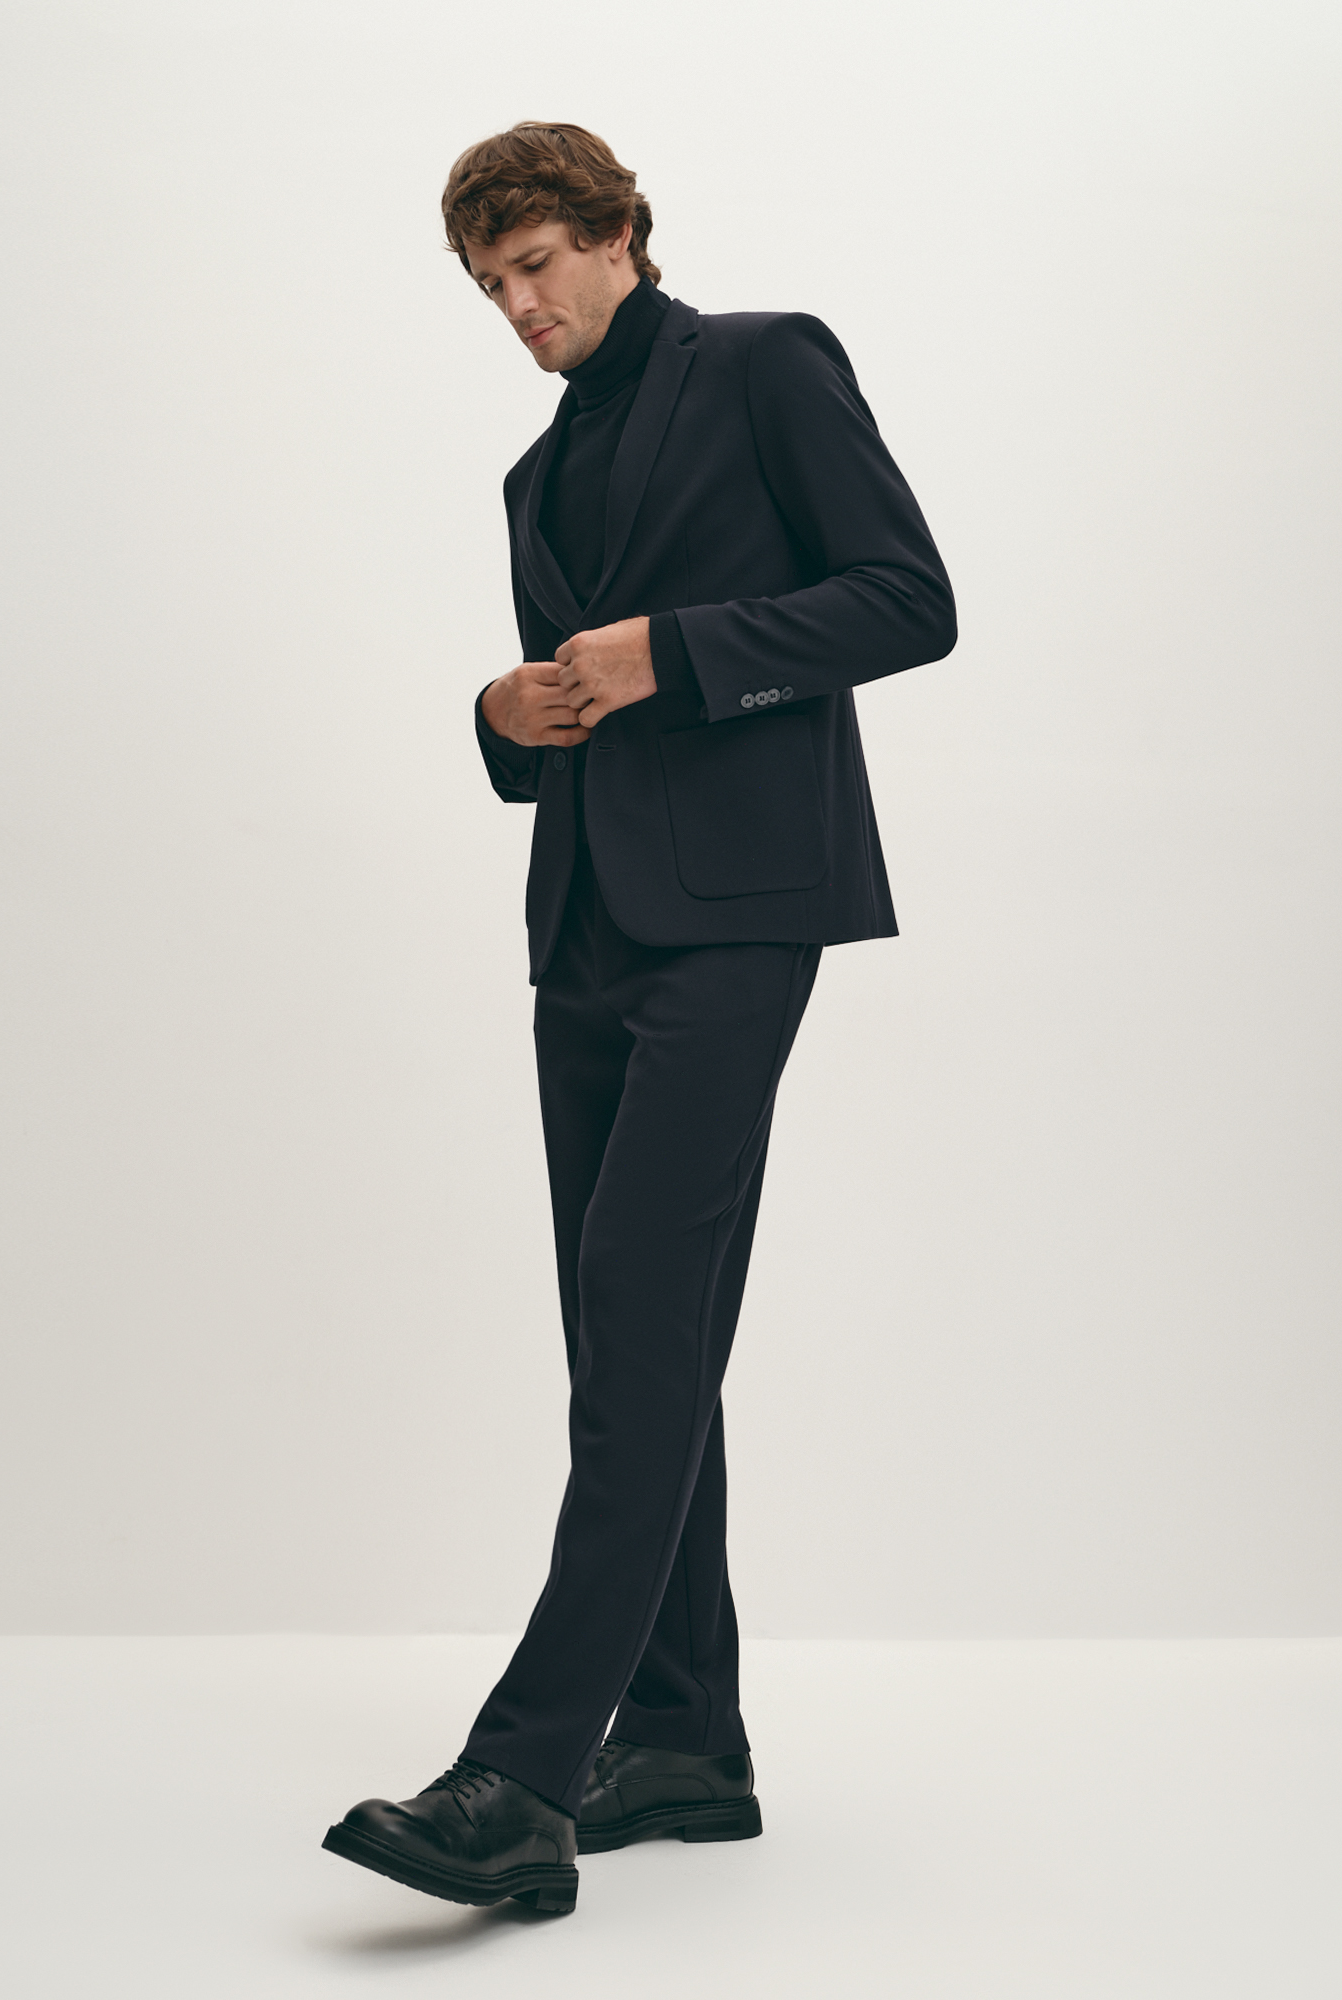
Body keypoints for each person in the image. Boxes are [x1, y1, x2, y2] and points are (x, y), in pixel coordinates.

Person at [323, 121, 956, 1916]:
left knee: (644, 1311)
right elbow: (567, 709)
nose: (517, 306)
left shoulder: (764, 365)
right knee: (625, 1336)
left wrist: (675, 651)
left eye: (536, 265)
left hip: (741, 919)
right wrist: (503, 719)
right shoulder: (536, 475)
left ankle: (523, 1776)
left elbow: (909, 600)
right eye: (489, 286)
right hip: (588, 927)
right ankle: (681, 1739)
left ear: (619, 234)